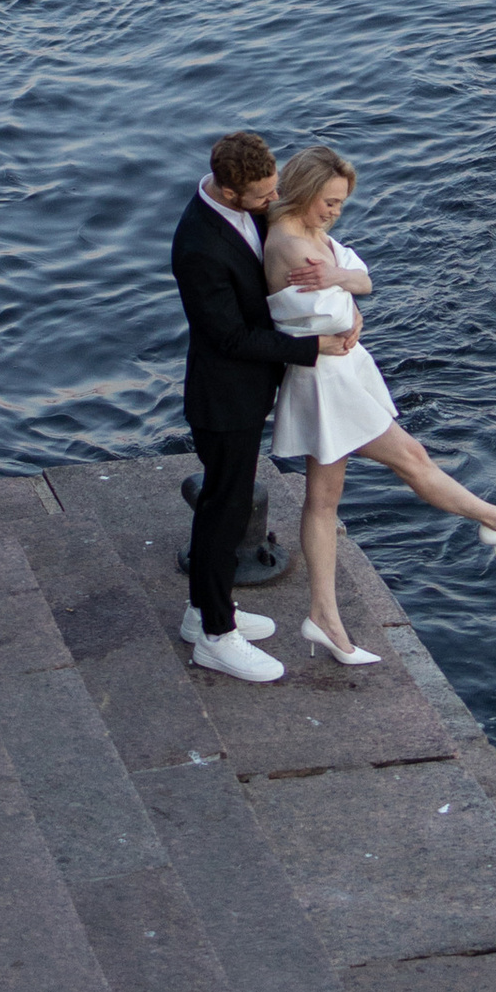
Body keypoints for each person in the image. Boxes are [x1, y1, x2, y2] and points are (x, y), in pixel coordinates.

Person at [263, 143, 496, 667]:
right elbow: (340, 313)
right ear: (306, 191)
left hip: (339, 375)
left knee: (327, 499)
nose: (335, 212)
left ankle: (324, 616)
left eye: (341, 204)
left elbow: (363, 282)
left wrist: (344, 286)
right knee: (408, 462)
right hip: (326, 383)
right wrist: (347, 295)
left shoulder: (314, 237)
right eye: (329, 201)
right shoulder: (290, 244)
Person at [169, 131, 308, 682]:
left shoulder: (246, 207)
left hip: (243, 391)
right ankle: (215, 638)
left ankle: (202, 611)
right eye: (260, 195)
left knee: (224, 508)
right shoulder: (197, 246)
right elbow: (228, 338)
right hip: (223, 397)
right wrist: (311, 348)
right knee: (222, 513)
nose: (271, 201)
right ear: (229, 192)